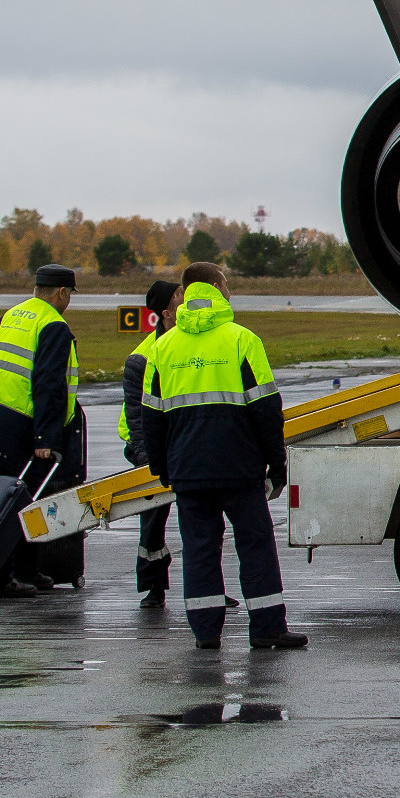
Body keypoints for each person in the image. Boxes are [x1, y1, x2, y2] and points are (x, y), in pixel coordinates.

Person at [143, 262, 304, 650]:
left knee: (199, 551)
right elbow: (266, 408)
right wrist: (277, 462)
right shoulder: (242, 340)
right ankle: (267, 628)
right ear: (215, 287)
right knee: (255, 546)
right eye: (227, 283)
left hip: (188, 470)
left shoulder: (162, 347)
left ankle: (205, 633)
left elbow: (152, 415)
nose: (230, 289)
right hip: (239, 468)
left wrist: (161, 466)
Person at [0, 264, 87, 589]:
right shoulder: (53, 324)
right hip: (17, 422)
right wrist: (46, 438)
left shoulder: (14, 314)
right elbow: (48, 386)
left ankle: (23, 570)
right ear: (62, 293)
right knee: (22, 502)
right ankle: (2, 576)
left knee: (10, 497)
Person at [118, 277, 180, 607]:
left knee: (202, 519)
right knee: (153, 519)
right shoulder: (142, 358)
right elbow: (137, 419)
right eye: (180, 297)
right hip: (150, 448)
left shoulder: (186, 346)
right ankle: (153, 585)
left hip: (182, 444)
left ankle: (210, 585)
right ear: (167, 312)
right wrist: (148, 460)